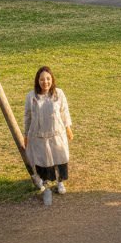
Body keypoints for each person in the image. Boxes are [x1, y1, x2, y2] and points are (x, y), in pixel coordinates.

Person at [24, 66, 73, 205]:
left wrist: (68, 129)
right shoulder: (31, 96)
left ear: (52, 80)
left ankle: (60, 182)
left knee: (59, 157)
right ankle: (44, 181)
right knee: (43, 159)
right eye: (42, 79)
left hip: (56, 133)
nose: (45, 82)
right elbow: (27, 116)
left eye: (48, 79)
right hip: (39, 135)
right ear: (37, 81)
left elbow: (64, 111)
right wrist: (26, 134)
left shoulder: (59, 94)